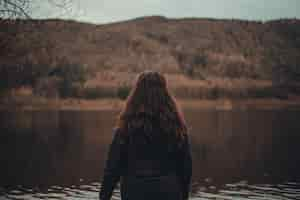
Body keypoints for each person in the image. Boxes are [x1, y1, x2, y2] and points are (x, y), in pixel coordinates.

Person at [99, 70, 192, 200]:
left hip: (135, 191)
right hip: (168, 191)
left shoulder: (126, 127)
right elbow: (186, 168)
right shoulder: (176, 127)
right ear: (165, 93)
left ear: (136, 94)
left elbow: (112, 169)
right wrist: (184, 195)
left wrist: (104, 197)